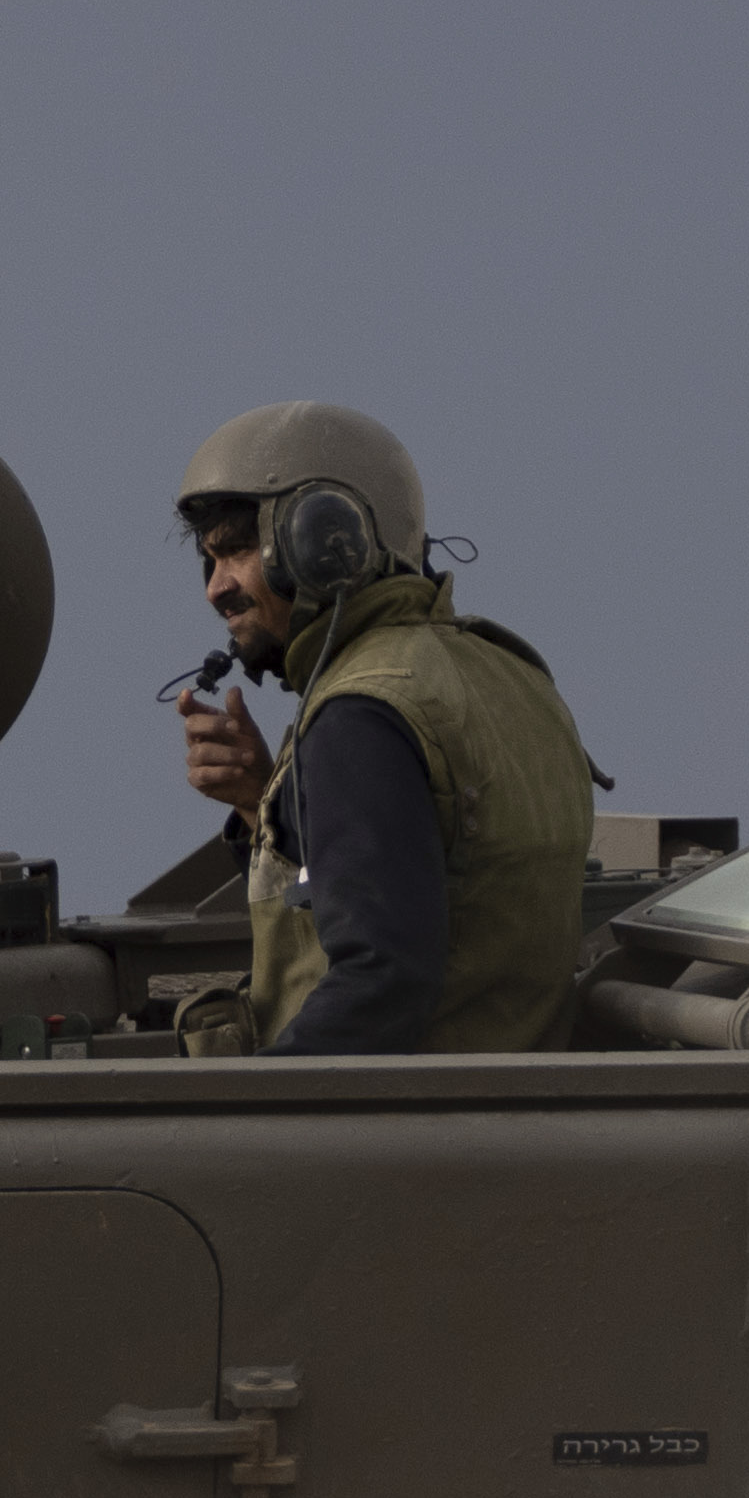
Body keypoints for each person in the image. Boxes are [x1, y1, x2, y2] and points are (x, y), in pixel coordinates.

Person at [164, 401, 606, 1054]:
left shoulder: (360, 715)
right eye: (209, 560)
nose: (215, 588)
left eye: (234, 552)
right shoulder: (511, 674)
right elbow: (453, 890)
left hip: (406, 1141)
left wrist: (244, 1118)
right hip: (510, 1115)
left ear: (320, 543)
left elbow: (382, 983)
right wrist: (270, 807)